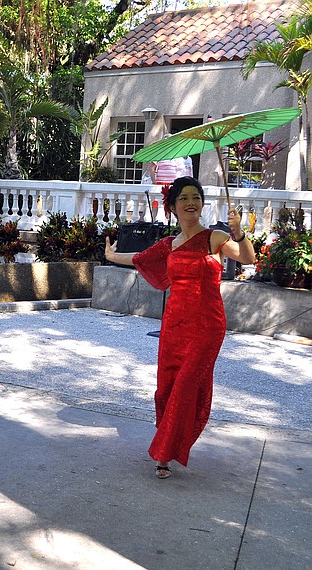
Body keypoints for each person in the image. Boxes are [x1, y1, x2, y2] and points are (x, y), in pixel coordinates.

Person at [104, 176, 255, 479]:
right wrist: (109, 255)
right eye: (184, 198)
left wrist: (238, 232)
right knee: (168, 387)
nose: (191, 202)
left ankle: (163, 453)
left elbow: (247, 258)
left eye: (196, 197)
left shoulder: (214, 238)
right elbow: (139, 259)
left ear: (202, 204)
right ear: (172, 206)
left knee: (187, 385)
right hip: (174, 325)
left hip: (208, 325)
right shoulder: (169, 244)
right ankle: (169, 442)